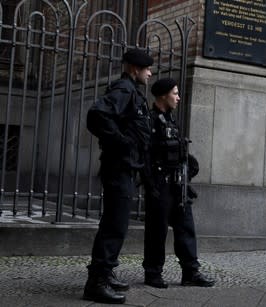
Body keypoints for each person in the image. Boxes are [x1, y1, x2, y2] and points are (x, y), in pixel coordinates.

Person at [83, 49, 153, 304]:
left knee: (116, 224)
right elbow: (97, 115)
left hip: (124, 167)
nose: (150, 72)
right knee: (115, 225)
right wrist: (122, 143)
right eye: (147, 69)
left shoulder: (131, 90)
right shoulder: (125, 89)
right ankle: (96, 282)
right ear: (134, 68)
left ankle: (106, 272)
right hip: (118, 167)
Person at [143, 78, 215, 288]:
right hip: (160, 183)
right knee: (157, 231)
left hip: (178, 184)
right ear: (164, 95)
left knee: (186, 227)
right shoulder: (150, 120)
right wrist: (150, 184)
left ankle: (190, 272)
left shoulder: (171, 120)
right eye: (175, 93)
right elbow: (145, 155)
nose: (178, 97)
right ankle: (153, 272)